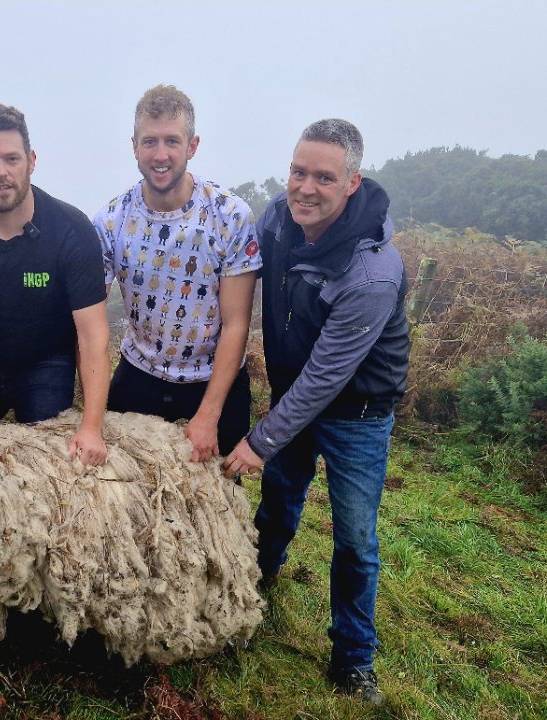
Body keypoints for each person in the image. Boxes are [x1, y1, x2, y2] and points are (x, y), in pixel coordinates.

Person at [223, 119, 410, 705]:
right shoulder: (276, 221)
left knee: (355, 537)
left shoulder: (371, 270)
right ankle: (255, 584)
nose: (305, 187)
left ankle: (354, 658)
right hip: (290, 393)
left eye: (324, 178)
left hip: (356, 413)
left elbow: (328, 377)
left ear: (351, 182)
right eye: (298, 172)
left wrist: (259, 440)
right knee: (279, 501)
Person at [0, 104, 110, 465]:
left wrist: (92, 426)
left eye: (11, 159)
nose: (1, 173)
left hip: (45, 364)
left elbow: (93, 336)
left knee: (43, 466)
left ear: (31, 160)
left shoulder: (71, 230)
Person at [94, 85, 260, 463]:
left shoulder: (230, 216)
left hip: (213, 380)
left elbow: (237, 324)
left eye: (172, 141)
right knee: (124, 494)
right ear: (134, 146)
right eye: (150, 142)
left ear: (193, 146)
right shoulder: (110, 222)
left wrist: (209, 415)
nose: (161, 154)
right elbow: (92, 318)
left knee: (215, 501)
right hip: (140, 375)